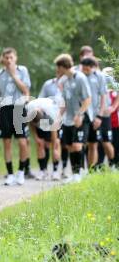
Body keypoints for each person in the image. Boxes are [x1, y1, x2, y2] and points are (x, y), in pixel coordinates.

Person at [0, 48, 31, 186]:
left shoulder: (22, 71)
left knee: (22, 142)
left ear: (15, 58)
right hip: (5, 110)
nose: (8, 60)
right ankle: (10, 174)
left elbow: (26, 90)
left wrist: (14, 75)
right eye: (6, 57)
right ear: (3, 59)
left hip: (19, 108)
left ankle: (21, 171)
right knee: (6, 143)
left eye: (11, 57)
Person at [55, 54, 92, 183]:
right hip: (68, 118)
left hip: (81, 116)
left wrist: (80, 115)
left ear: (63, 66)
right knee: (70, 146)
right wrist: (59, 116)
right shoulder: (65, 81)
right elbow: (65, 101)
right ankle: (75, 173)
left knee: (77, 145)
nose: (57, 71)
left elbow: (88, 100)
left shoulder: (80, 78)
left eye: (58, 68)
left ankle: (79, 173)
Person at [80, 57, 114, 170]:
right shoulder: (80, 76)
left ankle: (111, 165)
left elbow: (103, 97)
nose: (85, 71)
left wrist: (100, 115)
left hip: (99, 115)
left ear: (93, 67)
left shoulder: (101, 77)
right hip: (84, 114)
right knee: (83, 143)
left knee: (98, 143)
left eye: (87, 69)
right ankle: (85, 170)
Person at [33, 76, 62, 180]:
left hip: (53, 121)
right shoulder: (32, 111)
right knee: (40, 144)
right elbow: (32, 125)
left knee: (55, 144)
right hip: (39, 118)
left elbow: (54, 138)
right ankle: (42, 170)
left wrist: (54, 146)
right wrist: (36, 138)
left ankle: (55, 171)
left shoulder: (50, 114)